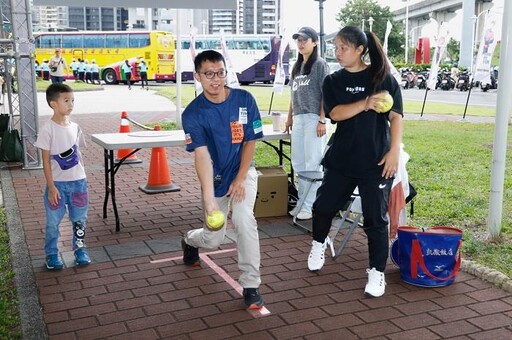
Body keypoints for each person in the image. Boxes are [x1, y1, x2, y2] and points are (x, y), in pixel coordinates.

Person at [308, 26, 403, 298]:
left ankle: (376, 272)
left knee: (376, 219)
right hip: (342, 158)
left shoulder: (382, 78)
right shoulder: (333, 80)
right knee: (323, 207)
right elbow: (335, 114)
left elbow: (396, 116)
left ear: (360, 49)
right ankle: (318, 242)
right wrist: (366, 102)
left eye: (343, 47)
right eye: (335, 47)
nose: (337, 52)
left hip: (377, 161)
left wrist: (394, 150)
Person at [181, 50, 265, 310]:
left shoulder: (244, 99)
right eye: (208, 74)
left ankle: (251, 285)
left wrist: (240, 179)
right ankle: (189, 240)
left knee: (243, 218)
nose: (215, 79)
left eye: (220, 73)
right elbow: (202, 157)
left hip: (243, 172)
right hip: (215, 179)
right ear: (198, 76)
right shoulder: (192, 114)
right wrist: (209, 200)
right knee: (213, 239)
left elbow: (251, 140)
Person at [34, 83, 91, 270]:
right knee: (53, 223)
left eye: (72, 100)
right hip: (57, 185)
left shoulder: (75, 127)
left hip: (78, 184)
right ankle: (51, 254)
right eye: (66, 100)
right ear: (53, 104)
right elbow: (46, 161)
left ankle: (80, 250)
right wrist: (51, 187)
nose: (71, 104)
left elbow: (79, 153)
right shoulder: (47, 129)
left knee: (79, 220)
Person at [284, 27, 330, 221]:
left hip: (313, 119)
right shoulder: (296, 67)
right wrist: (289, 118)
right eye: (298, 40)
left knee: (313, 163)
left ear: (315, 42)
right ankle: (302, 202)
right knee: (299, 163)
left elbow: (325, 93)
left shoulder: (320, 65)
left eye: (305, 40)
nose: (301, 43)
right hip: (299, 119)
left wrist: (322, 119)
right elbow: (293, 95)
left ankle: (311, 206)